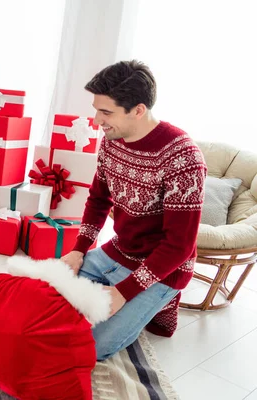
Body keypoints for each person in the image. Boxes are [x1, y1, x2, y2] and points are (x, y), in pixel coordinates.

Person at [59, 60, 207, 360]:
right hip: (116, 252)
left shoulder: (183, 158)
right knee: (46, 300)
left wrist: (124, 291)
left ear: (138, 110)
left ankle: (161, 302)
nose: (97, 120)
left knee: (90, 346)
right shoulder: (111, 141)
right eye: (96, 109)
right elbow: (99, 200)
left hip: (164, 268)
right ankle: (132, 297)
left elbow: (180, 246)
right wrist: (79, 250)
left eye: (106, 112)